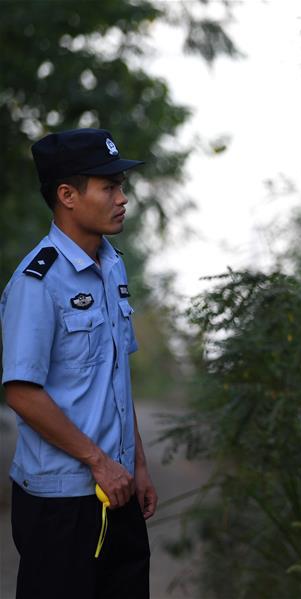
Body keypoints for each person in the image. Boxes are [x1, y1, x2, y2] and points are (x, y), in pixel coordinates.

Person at [1, 128, 156, 598]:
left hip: (118, 487)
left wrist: (137, 464)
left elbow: (115, 378)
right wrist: (99, 462)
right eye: (109, 187)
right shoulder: (38, 281)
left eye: (121, 187)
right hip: (63, 500)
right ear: (67, 196)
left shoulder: (111, 266)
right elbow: (21, 391)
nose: (123, 198)